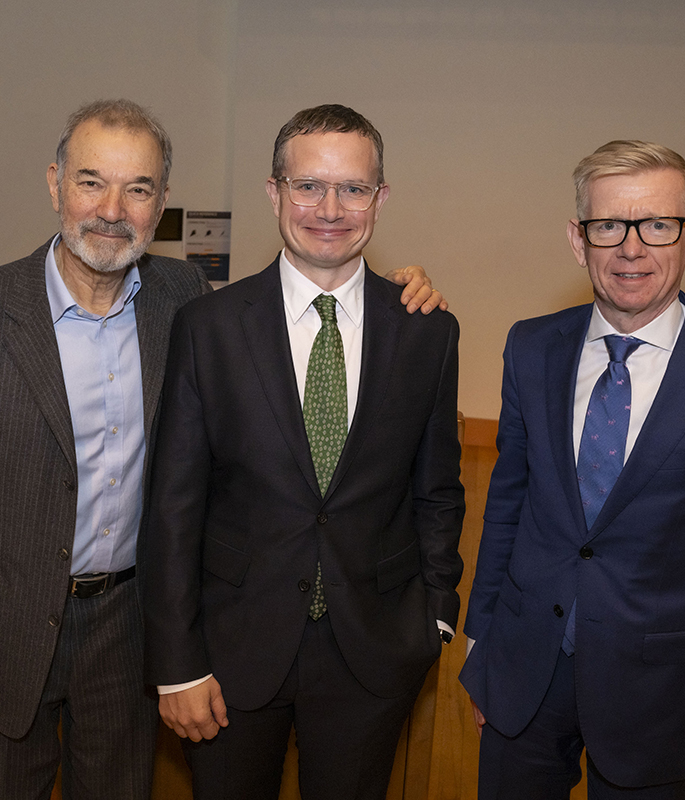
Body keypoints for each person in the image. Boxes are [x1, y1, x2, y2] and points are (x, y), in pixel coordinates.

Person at [0, 99, 443, 799]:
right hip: (6, 634)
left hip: (132, 630)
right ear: (54, 184)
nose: (111, 209)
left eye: (139, 189)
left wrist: (404, 291)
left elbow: (297, 329)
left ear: (160, 203)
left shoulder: (184, 302)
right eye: (91, 182)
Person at [141, 104, 465, 800]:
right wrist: (177, 665)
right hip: (230, 653)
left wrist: (435, 614)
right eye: (308, 186)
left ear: (380, 199)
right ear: (274, 192)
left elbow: (437, 488)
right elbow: (172, 506)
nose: (330, 208)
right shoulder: (208, 328)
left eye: (353, 188)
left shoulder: (427, 333)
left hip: (373, 651)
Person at [459, 140, 685, 799]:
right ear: (577, 238)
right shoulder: (530, 347)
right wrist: (484, 644)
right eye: (609, 225)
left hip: (662, 688)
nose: (631, 248)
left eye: (658, 226)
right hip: (527, 669)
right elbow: (509, 503)